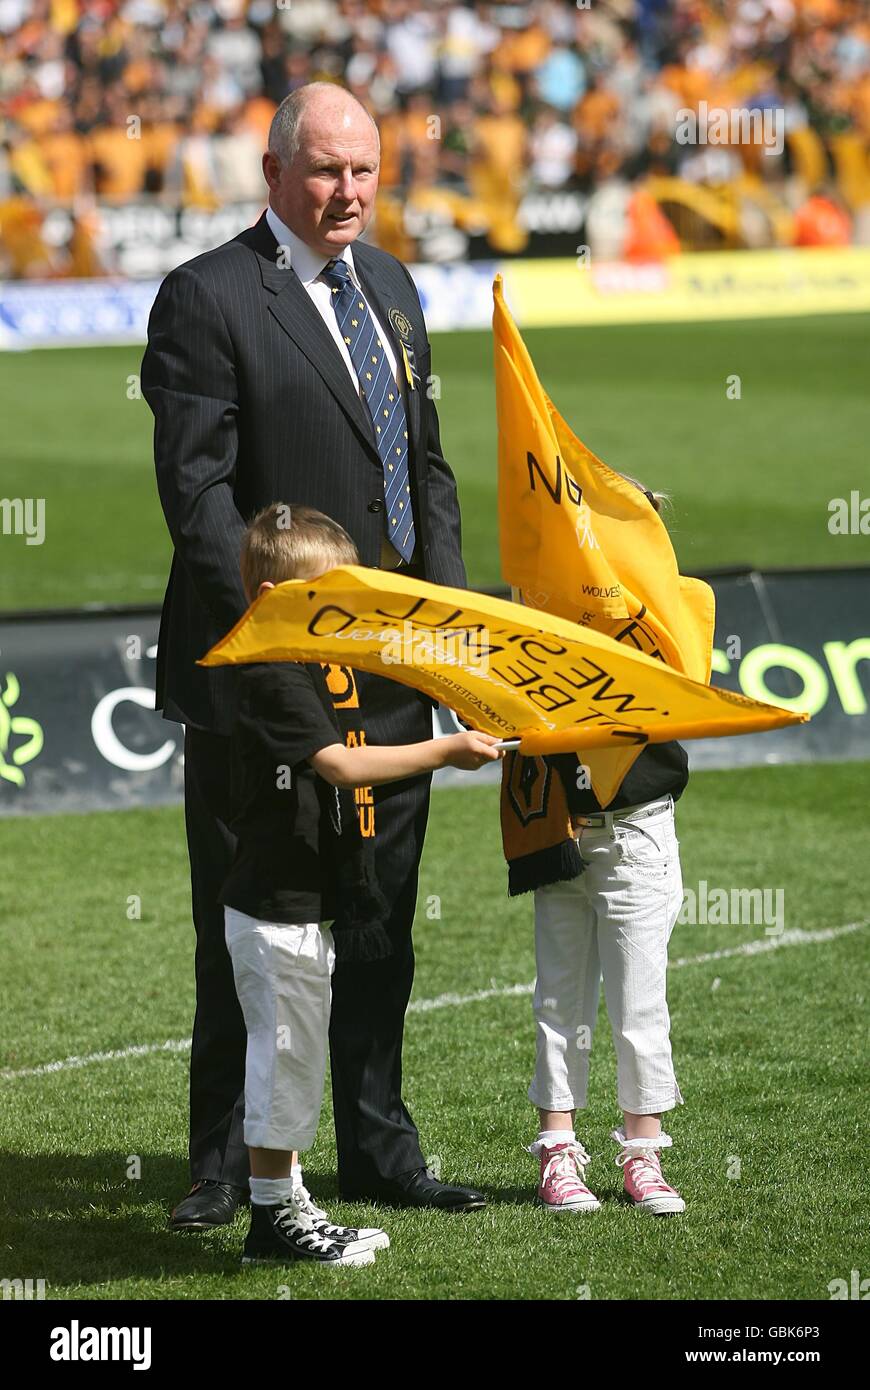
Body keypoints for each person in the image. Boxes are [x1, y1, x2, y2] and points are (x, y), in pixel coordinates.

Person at [142, 82, 484, 1228]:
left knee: (380, 921)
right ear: (275, 171)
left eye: (366, 173)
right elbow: (199, 498)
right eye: (328, 172)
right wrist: (283, 646)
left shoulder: (390, 284)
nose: (349, 194)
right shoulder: (206, 296)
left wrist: (448, 626)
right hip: (267, 685)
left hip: (396, 672)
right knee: (248, 926)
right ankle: (223, 1166)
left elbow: (422, 468)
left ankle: (380, 1151)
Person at [225, 503, 504, 1268]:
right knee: (283, 1062)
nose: (344, 609)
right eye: (328, 596)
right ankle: (272, 1223)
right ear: (273, 598)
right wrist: (443, 750)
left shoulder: (301, 664)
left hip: (301, 908)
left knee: (299, 1058)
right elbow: (344, 765)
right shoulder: (274, 673)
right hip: (275, 910)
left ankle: (286, 1201)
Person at [523, 479, 688, 1216]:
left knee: (638, 1003)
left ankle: (641, 1155)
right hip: (559, 829)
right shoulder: (543, 611)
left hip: (640, 830)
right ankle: (558, 1155)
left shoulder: (662, 624)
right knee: (559, 999)